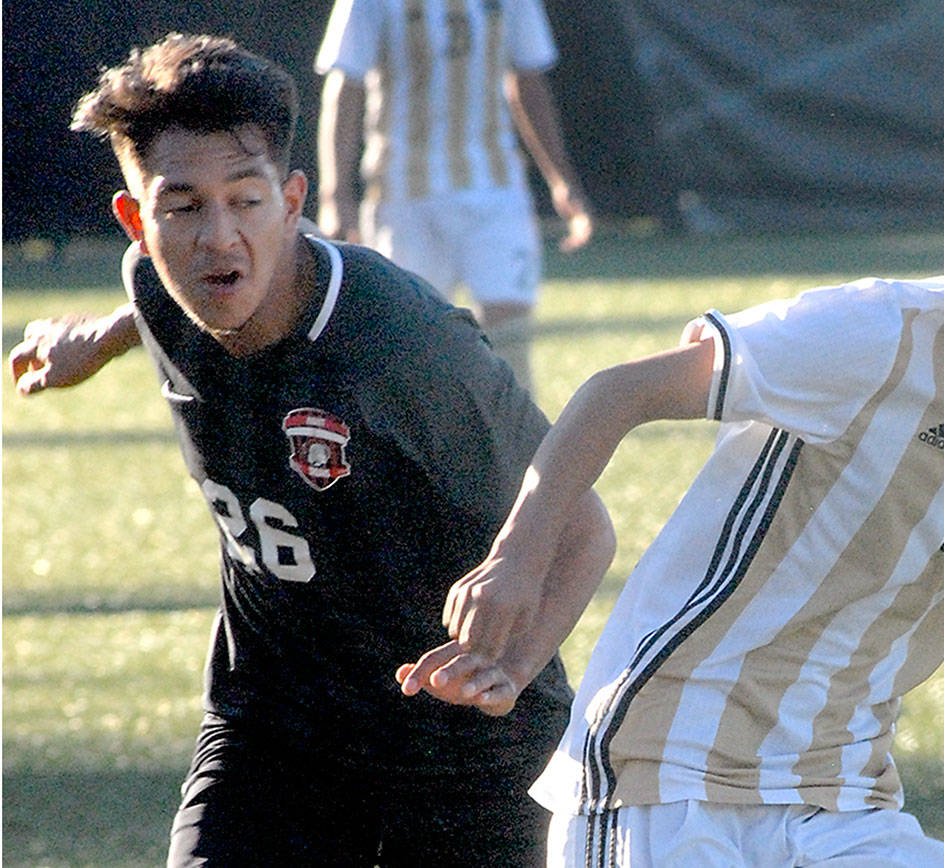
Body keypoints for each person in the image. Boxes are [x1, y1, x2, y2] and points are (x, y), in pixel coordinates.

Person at [397, 81, 944, 866]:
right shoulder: (884, 338)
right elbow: (617, 392)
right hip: (667, 775)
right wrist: (515, 559)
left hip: (842, 800)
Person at [8, 33, 614, 866]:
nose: (219, 237)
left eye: (246, 200)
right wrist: (95, 342)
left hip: (467, 752)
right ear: (137, 223)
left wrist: (515, 665)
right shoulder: (156, 286)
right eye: (183, 207)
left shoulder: (397, 340)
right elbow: (160, 297)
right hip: (273, 730)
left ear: (292, 202)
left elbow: (584, 527)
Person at [314, 0, 593, 393]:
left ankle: (508, 434)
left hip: (496, 192)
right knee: (409, 351)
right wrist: (335, 194)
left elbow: (527, 81)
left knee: (508, 345)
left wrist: (560, 178)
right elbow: (346, 86)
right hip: (403, 198)